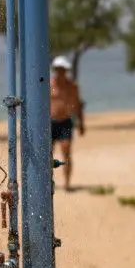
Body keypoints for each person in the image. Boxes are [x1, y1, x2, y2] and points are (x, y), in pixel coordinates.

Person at [49, 55, 85, 192]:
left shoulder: (72, 87)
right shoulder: (49, 84)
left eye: (63, 69)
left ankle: (67, 183)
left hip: (65, 122)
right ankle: (47, 181)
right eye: (58, 69)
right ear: (55, 69)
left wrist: (81, 123)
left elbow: (77, 105)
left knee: (66, 151)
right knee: (47, 153)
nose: (61, 72)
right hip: (50, 122)